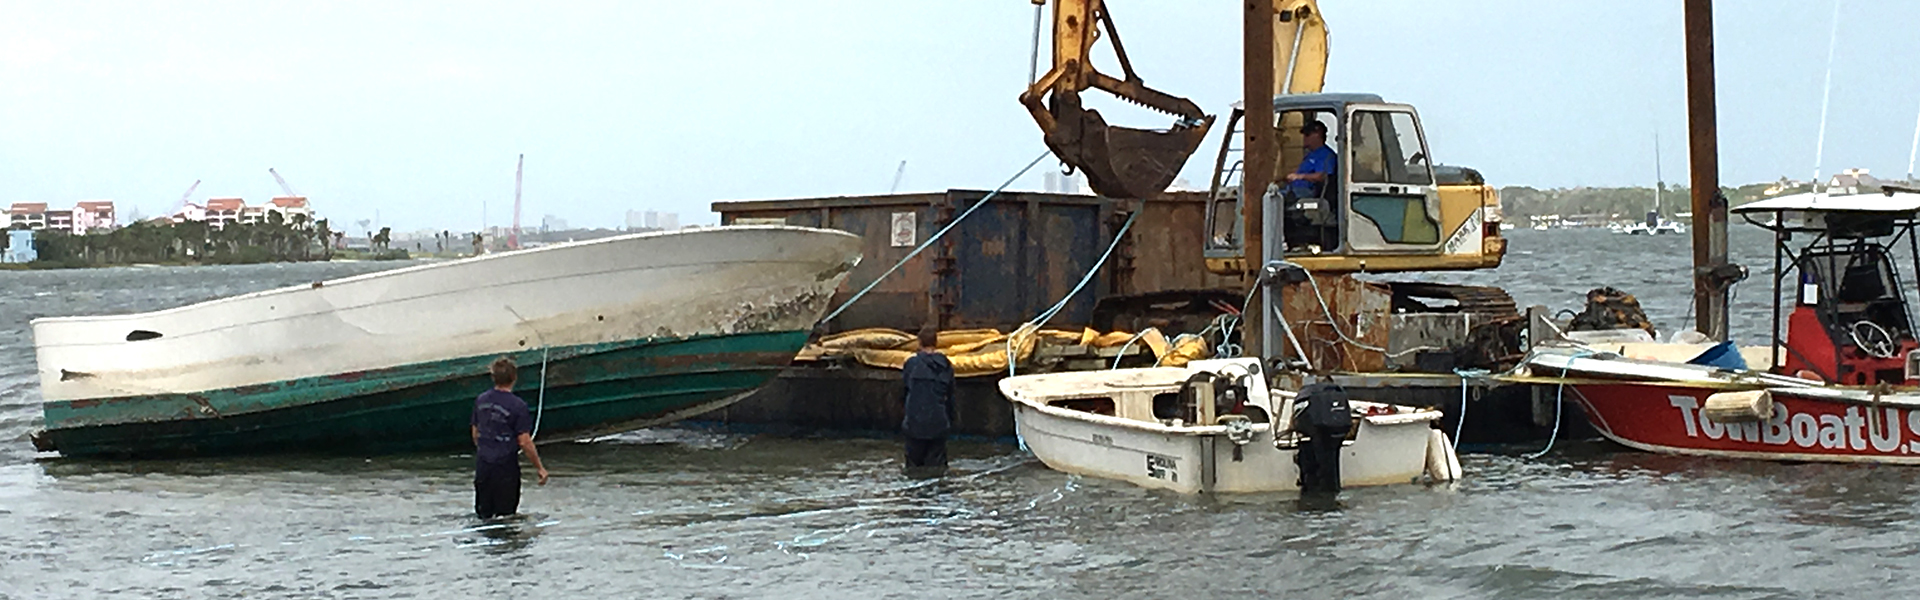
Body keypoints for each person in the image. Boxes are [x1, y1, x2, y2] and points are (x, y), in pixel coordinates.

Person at [471, 356, 549, 519]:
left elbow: (475, 432)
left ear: (493, 378)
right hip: (505, 468)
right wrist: (539, 467)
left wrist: (485, 450)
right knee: (506, 518)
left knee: (484, 515)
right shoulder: (518, 405)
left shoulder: (481, 400)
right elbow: (524, 441)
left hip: (483, 466)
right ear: (514, 378)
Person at [900, 325, 956, 472]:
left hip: (915, 422)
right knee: (937, 469)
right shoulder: (946, 366)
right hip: (938, 422)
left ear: (919, 343)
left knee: (913, 469)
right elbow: (950, 396)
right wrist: (949, 421)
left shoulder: (911, 364)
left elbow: (905, 391)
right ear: (936, 343)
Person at [1284, 120, 1337, 199]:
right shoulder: (1310, 154)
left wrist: (1299, 176)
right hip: (1294, 189)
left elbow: (1322, 176)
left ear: (1317, 135)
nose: (1304, 138)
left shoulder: (1326, 155)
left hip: (1307, 193)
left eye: (1307, 135)